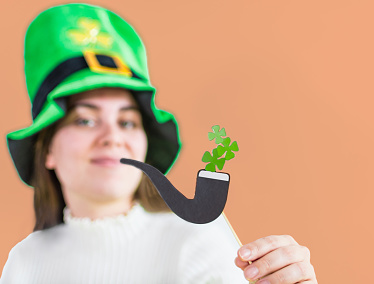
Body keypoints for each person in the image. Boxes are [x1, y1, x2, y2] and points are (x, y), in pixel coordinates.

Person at [1, 3, 317, 283]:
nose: (112, 137)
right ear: (47, 151)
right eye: (85, 120)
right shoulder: (24, 263)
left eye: (127, 122)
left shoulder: (196, 236)